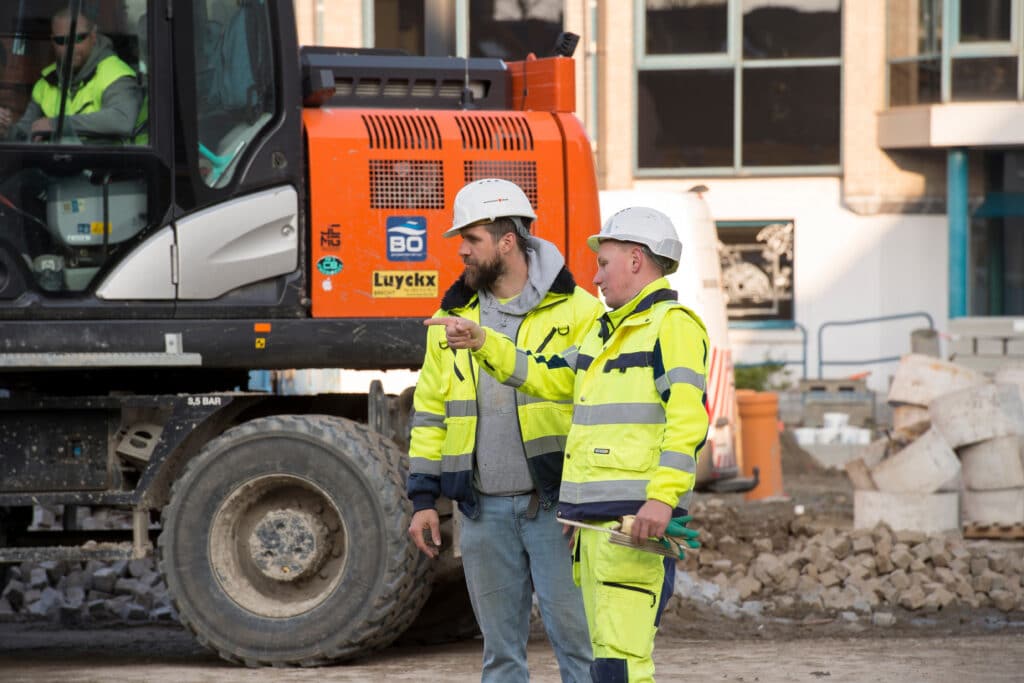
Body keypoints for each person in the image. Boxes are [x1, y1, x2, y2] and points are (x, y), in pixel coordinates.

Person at [428, 206, 709, 683]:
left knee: (621, 665)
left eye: (605, 262)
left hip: (632, 523)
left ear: (637, 260)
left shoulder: (672, 325)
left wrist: (662, 498)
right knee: (604, 662)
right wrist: (483, 342)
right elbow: (546, 374)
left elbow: (687, 419)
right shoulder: (608, 332)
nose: (595, 278)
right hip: (599, 526)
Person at [407, 178, 602, 682]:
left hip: (557, 510)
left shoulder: (581, 312)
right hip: (482, 512)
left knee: (581, 651)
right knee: (500, 657)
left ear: (507, 241)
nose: (462, 252)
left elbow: (593, 401)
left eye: (471, 240)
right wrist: (424, 499)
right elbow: (431, 413)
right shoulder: (449, 320)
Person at [0, 9, 141, 143]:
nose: (70, 48)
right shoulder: (46, 82)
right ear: (52, 42)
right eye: (61, 41)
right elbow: (25, 133)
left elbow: (122, 120)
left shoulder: (115, 72)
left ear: (93, 37)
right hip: (53, 165)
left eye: (78, 38)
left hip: (106, 166)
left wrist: (57, 125)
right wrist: (6, 131)